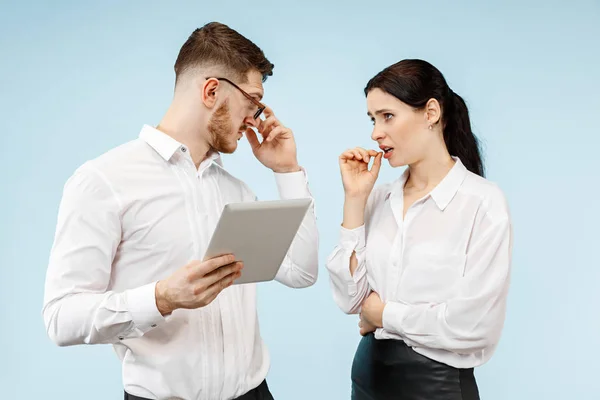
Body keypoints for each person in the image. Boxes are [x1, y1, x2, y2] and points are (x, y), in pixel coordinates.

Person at [42, 22, 319, 400]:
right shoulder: (102, 181)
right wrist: (161, 298)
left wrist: (287, 171)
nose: (255, 118)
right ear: (211, 91)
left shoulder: (237, 191)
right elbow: (61, 317)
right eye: (252, 101)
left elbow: (302, 272)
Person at [325, 59, 513, 399]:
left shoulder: (481, 202)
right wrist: (354, 200)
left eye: (387, 116)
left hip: (436, 388)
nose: (375, 133)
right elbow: (349, 299)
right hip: (368, 380)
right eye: (372, 119)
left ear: (430, 113)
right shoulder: (377, 198)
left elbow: (473, 326)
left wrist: (383, 314)